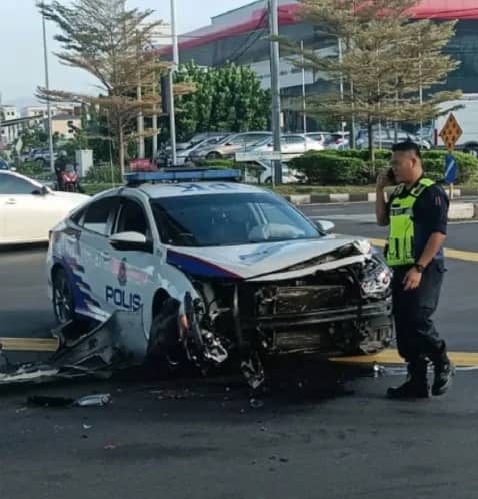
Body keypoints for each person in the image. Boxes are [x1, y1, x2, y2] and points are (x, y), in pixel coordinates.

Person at [375, 140, 454, 399]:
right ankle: (416, 380)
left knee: (419, 319)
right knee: (405, 326)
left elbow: (438, 234)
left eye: (397, 163)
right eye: (392, 163)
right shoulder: (398, 193)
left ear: (414, 161)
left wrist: (419, 268)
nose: (393, 168)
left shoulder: (431, 192)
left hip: (425, 267)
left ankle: (442, 361)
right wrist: (379, 189)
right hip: (400, 267)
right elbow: (382, 220)